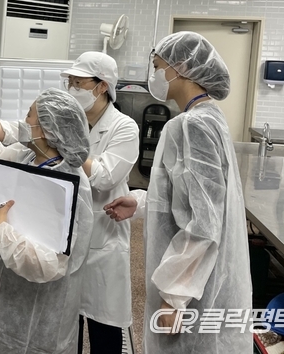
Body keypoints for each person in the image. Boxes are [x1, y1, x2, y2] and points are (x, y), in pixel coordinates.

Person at [104, 31, 252, 353]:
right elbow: (190, 197)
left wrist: (173, 296)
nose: (155, 74)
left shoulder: (191, 125)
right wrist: (140, 202)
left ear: (181, 67)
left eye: (158, 66)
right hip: (201, 277)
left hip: (192, 287)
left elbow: (204, 222)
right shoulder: (209, 117)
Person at [0, 88, 95, 354]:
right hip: (8, 300)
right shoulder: (29, 157)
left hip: (42, 320)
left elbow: (47, 266)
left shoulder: (67, 185)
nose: (24, 122)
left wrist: (0, 228)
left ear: (47, 130)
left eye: (29, 115)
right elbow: (0, 159)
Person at [60, 52, 139, 354]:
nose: (72, 89)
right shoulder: (72, 121)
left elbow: (104, 177)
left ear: (102, 86)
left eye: (78, 83)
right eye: (70, 82)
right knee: (67, 324)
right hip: (69, 233)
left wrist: (68, 147)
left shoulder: (124, 127)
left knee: (104, 329)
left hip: (104, 238)